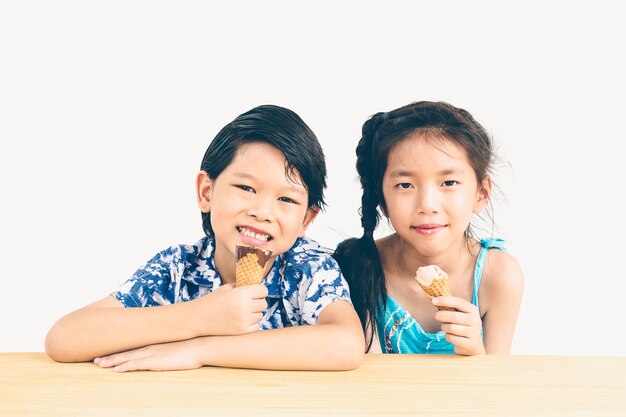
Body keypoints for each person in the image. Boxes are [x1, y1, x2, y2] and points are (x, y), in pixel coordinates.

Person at [46, 105, 364, 371]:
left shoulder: (307, 268)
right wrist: (199, 317)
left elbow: (347, 345)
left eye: (287, 200)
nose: (263, 211)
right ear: (206, 192)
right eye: (246, 188)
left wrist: (199, 350)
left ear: (306, 220)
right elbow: (64, 338)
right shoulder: (177, 268)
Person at [333, 101, 524, 355]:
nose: (427, 205)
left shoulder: (498, 276)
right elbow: (366, 382)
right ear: (382, 200)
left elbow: (498, 387)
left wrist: (477, 354)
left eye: (448, 182)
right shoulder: (356, 267)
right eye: (405, 185)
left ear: (480, 193)